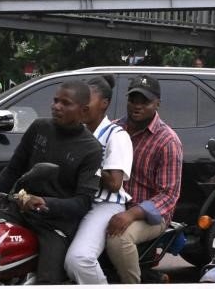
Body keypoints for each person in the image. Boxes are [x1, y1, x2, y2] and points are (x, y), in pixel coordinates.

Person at [0, 82, 102, 284]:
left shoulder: (92, 149)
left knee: (47, 282)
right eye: (55, 100)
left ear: (83, 110)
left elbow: (83, 202)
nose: (56, 106)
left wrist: (45, 203)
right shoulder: (39, 128)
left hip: (53, 226)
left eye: (65, 103)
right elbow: (12, 171)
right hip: (18, 210)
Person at [105, 75, 183, 284]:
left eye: (145, 102)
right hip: (111, 206)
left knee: (118, 239)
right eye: (133, 100)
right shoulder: (113, 129)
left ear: (157, 104)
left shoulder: (167, 141)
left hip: (150, 215)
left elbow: (168, 196)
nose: (137, 106)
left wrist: (131, 214)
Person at [65, 76, 134, 284]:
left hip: (104, 204)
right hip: (76, 200)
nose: (83, 104)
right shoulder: (75, 132)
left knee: (79, 259)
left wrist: (86, 167)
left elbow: (114, 183)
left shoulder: (116, 135)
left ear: (104, 103)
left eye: (89, 99)